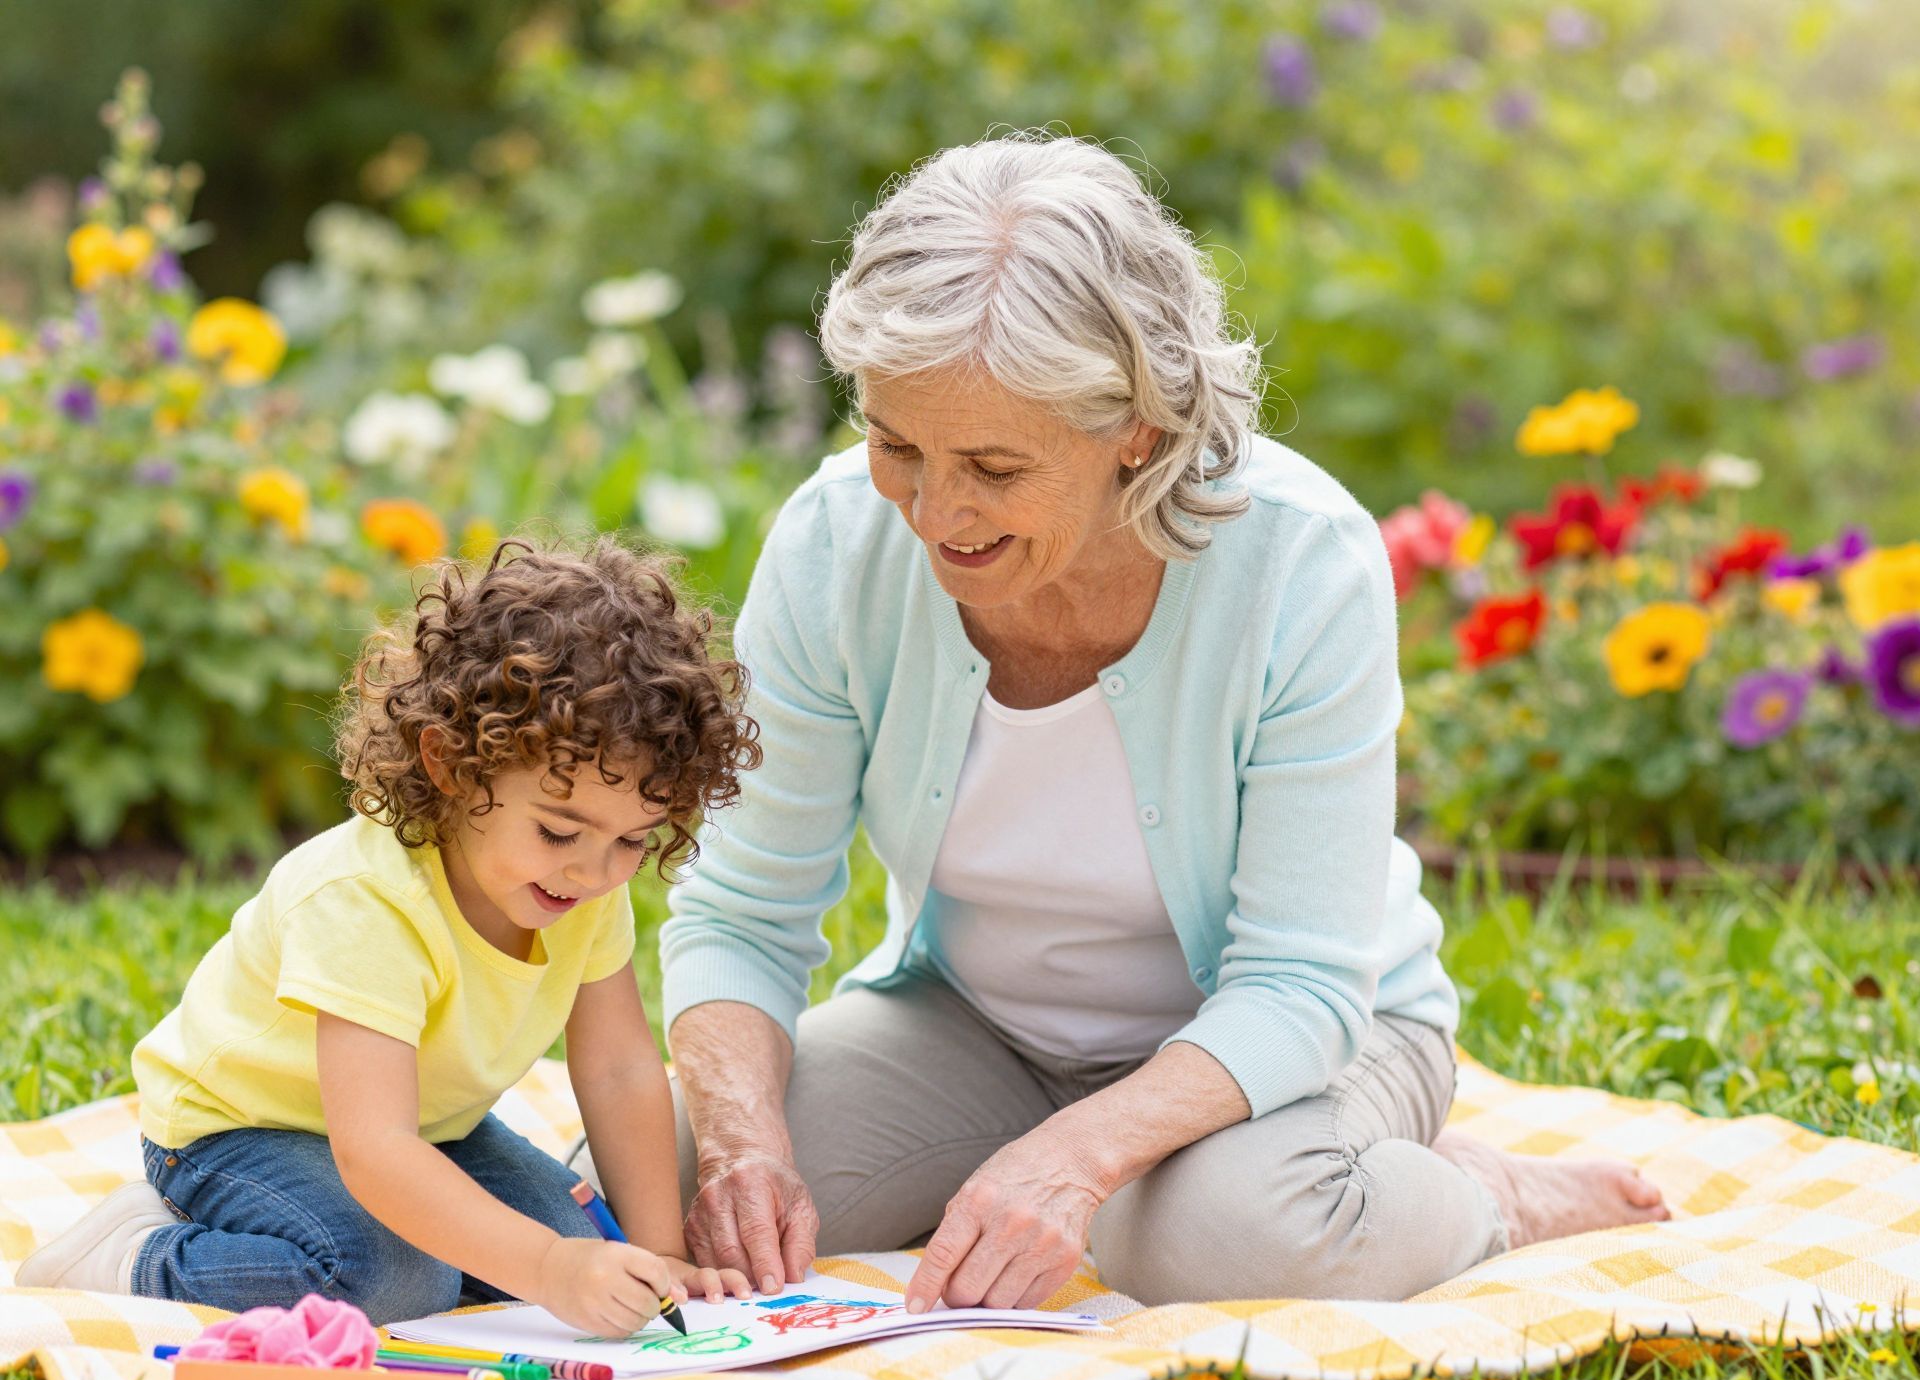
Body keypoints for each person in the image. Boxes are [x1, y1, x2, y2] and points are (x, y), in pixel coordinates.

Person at [631, 133, 1671, 1314]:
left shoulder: (1299, 560)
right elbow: (742, 909)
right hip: (981, 1030)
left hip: (1303, 1040)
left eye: (991, 465)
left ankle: (1486, 1195)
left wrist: (1071, 1159)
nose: (934, 511)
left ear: (1136, 423)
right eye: (895, 445)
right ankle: (1043, 1171)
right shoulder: (836, 544)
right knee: (649, 1179)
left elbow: (1297, 985)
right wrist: (740, 1147)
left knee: (1217, 1243)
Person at [20, 538, 756, 1331]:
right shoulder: (367, 900)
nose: (594, 871)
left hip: (429, 1129)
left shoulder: (581, 885)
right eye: (558, 831)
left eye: (631, 840)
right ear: (449, 764)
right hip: (239, 1130)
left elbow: (616, 1069)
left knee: (575, 1244)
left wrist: (657, 1250)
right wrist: (547, 1268)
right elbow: (373, 1150)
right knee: (394, 1279)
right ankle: (139, 1253)